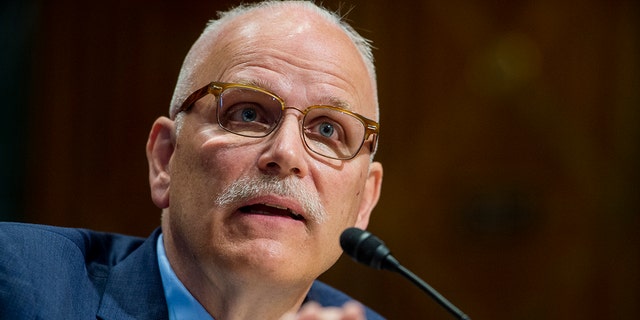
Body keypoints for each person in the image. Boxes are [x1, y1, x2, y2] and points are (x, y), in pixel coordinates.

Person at [0, 1, 384, 319]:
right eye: (247, 114)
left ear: (364, 201)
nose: (285, 154)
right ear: (165, 159)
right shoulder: (19, 281)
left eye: (328, 130)